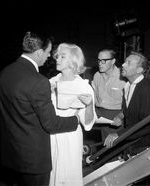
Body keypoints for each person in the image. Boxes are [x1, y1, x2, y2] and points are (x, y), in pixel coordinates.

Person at [0, 31, 80, 186]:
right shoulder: (38, 81)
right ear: (40, 53)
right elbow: (51, 124)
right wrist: (76, 120)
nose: (49, 57)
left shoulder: (4, 73)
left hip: (10, 156)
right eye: (48, 52)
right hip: (33, 160)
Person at [49, 43, 97, 186]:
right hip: (50, 136)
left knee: (68, 176)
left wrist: (89, 106)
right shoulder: (50, 82)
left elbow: (88, 124)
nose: (57, 59)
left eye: (62, 56)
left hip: (70, 136)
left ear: (73, 61)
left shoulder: (83, 86)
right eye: (58, 56)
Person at [104, 51, 150, 158]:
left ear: (139, 70)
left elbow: (147, 125)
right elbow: (130, 109)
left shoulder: (146, 89)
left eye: (128, 63)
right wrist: (120, 116)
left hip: (145, 144)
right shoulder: (128, 86)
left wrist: (119, 134)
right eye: (125, 62)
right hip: (133, 140)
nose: (123, 65)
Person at [91, 48, 126, 141]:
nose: (100, 63)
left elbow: (130, 103)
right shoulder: (97, 75)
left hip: (117, 116)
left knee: (118, 147)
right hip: (101, 116)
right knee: (105, 147)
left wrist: (121, 117)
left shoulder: (123, 77)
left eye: (104, 61)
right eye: (99, 60)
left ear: (113, 61)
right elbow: (94, 97)